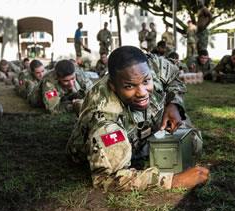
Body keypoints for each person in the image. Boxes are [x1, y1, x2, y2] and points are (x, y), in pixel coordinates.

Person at [66, 46, 209, 191]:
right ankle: (80, 107)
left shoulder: (152, 64)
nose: (141, 92)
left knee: (194, 142)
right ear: (113, 87)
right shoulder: (106, 119)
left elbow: (174, 76)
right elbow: (109, 178)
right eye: (129, 86)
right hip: (111, 137)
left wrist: (173, 104)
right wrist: (175, 180)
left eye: (146, 81)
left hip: (140, 125)